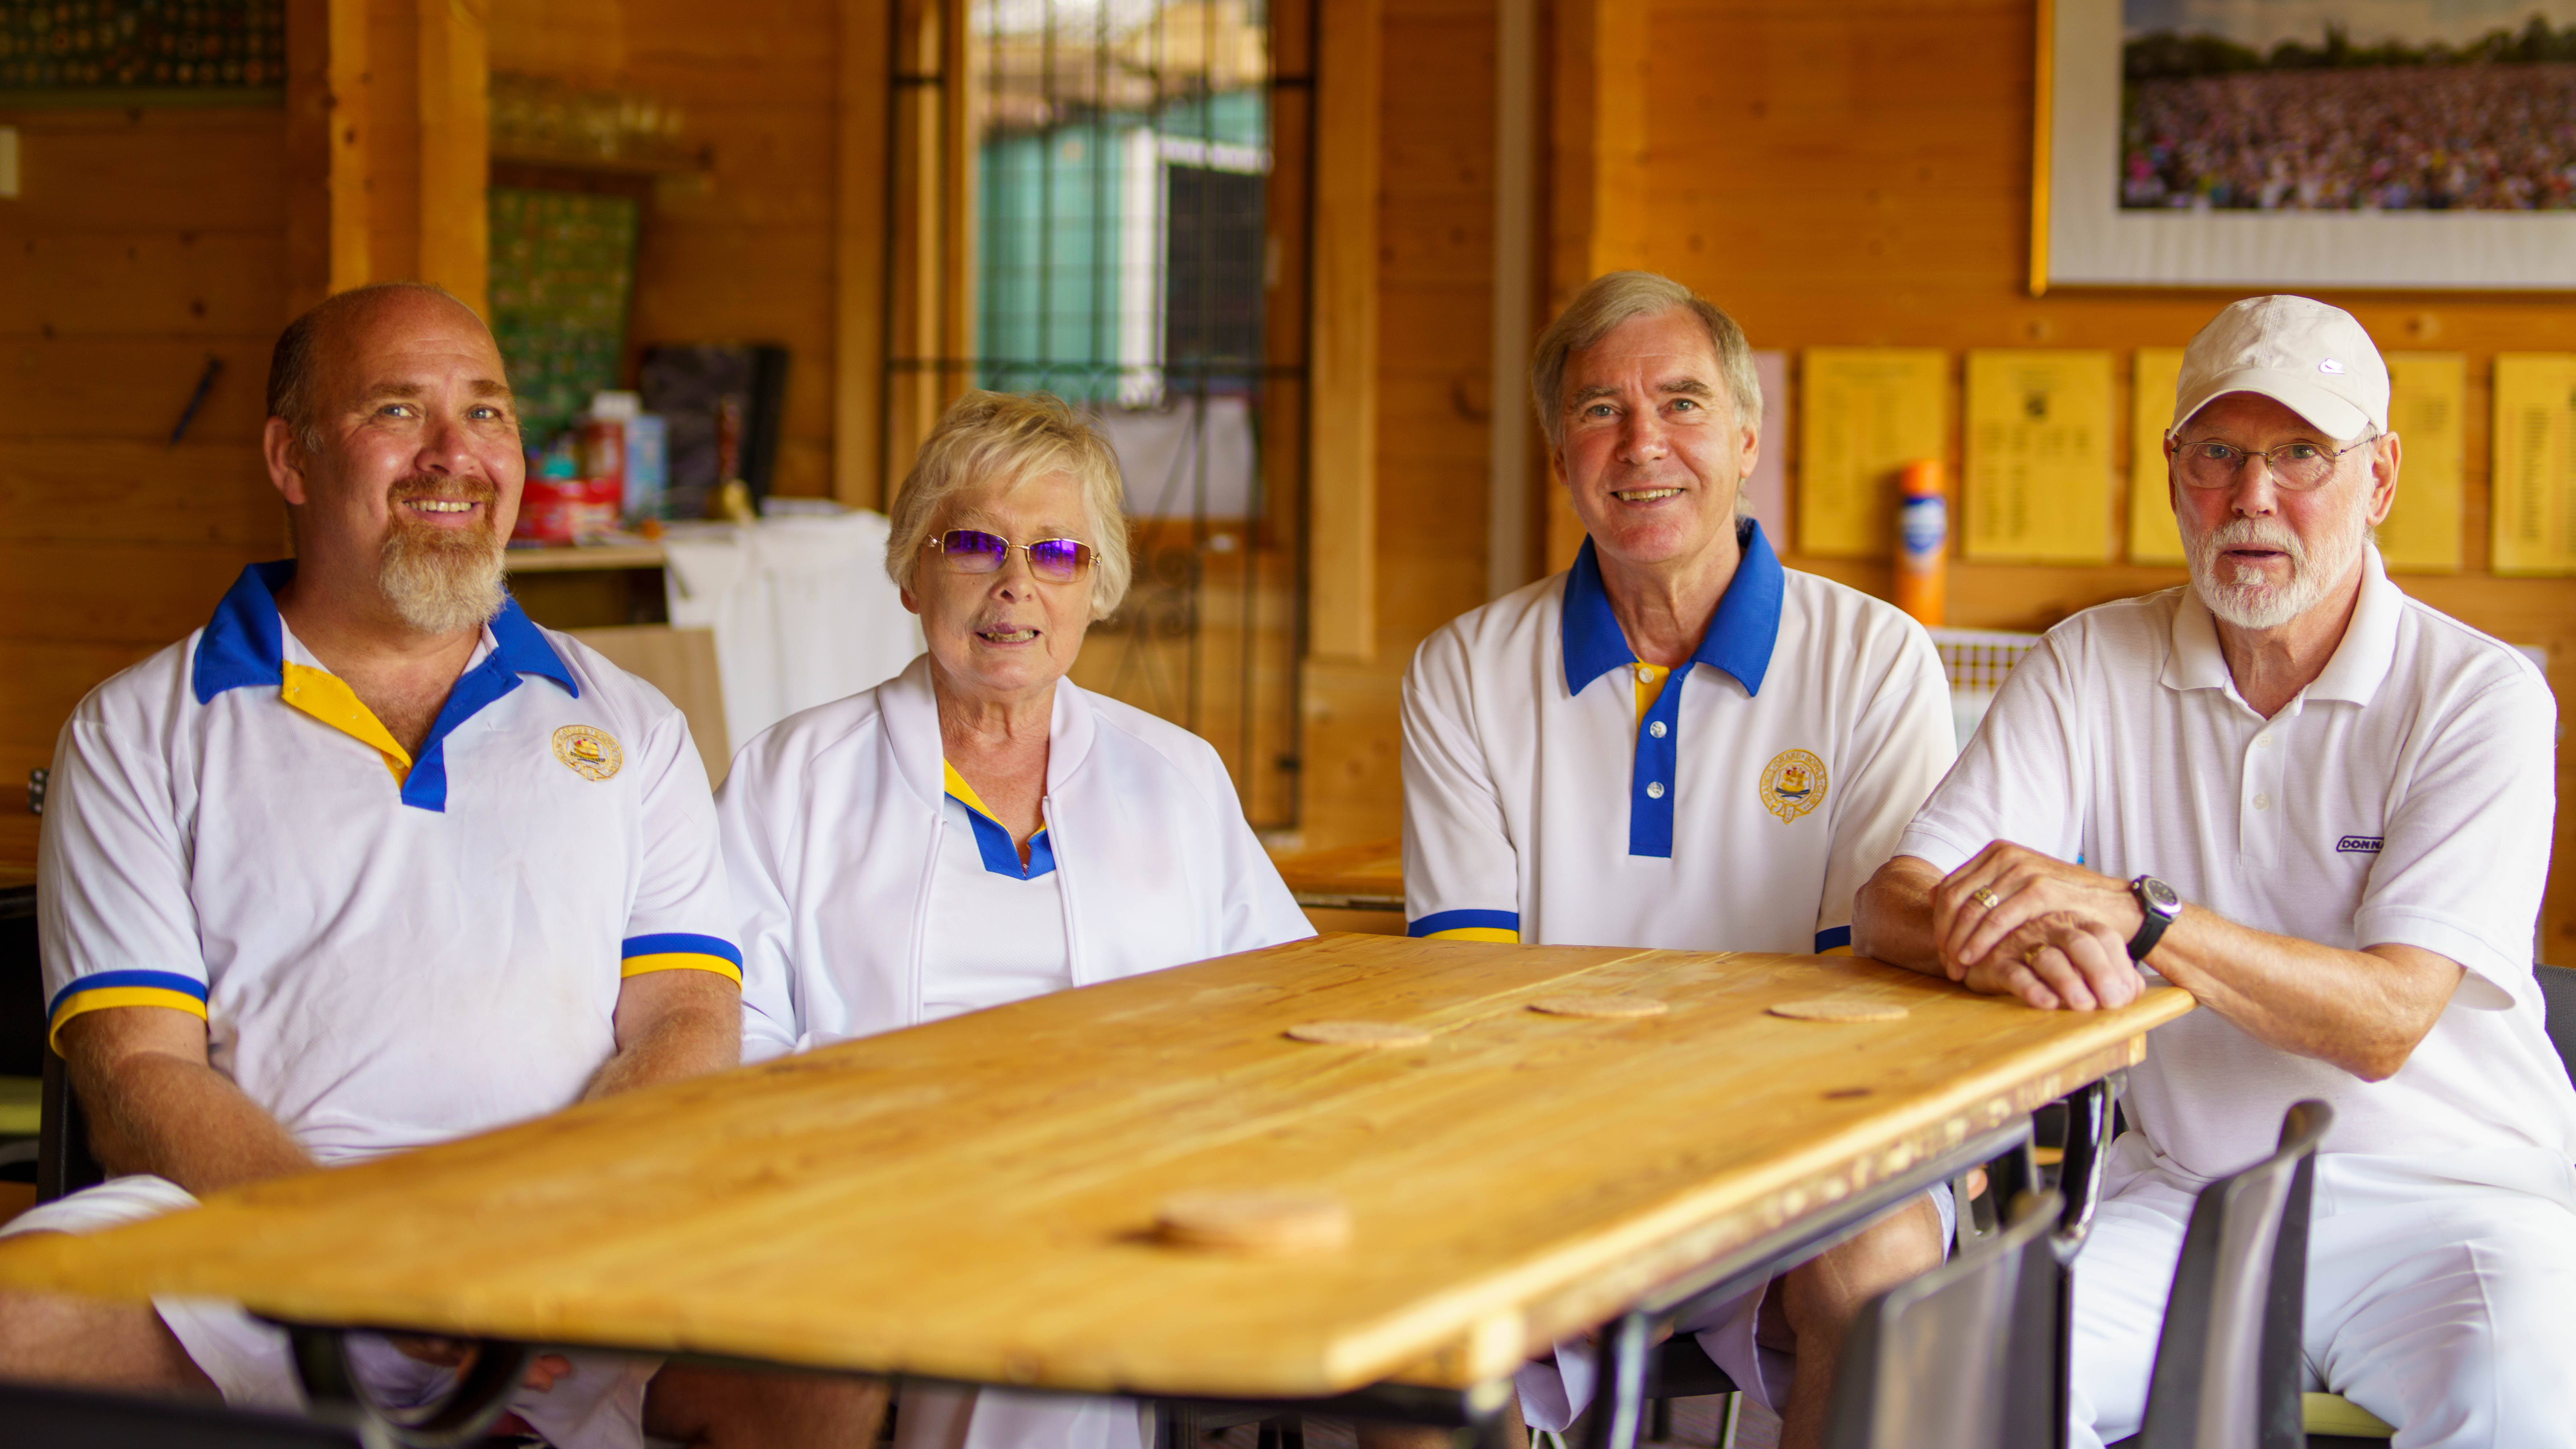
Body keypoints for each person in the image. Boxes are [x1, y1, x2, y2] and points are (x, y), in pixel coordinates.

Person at [0, 282, 874, 1449]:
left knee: (838, 1337)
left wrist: (541, 1231)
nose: (455, 455)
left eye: (490, 414)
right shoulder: (138, 728)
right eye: (398, 411)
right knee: (19, 1325)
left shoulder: (633, 724)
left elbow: (682, 1019)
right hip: (262, 1241)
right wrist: (366, 1252)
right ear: (291, 458)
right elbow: (137, 1077)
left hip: (570, 1246)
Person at [1854, 294, 2576, 1446]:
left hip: (2457, 1205)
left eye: (2301, 455)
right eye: (2218, 455)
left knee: (2534, 1405)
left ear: (2378, 478)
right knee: (1966, 1391)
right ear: (2172, 469)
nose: (2252, 498)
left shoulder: (2478, 694)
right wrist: (2020, 940)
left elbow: (2386, 1019)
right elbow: (1889, 899)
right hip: (2192, 1190)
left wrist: (2134, 918)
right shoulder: (2089, 658)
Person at [1394, 272, 1956, 1449]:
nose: (1643, 443)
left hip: (1805, 1143)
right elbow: (1465, 996)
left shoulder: (1876, 659)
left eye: (1683, 404)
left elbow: (1865, 989)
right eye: (1600, 410)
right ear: (1561, 456)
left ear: (1748, 437)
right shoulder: (1461, 670)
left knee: (1882, 1263)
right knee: (1396, 1307)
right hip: (1532, 1149)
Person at [721, 388, 1313, 1449]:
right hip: (868, 1183)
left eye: (1057, 556)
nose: (1014, 587)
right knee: (1018, 1303)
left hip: (1131, 1180)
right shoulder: (795, 773)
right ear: (911, 571)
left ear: (1099, 589)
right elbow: (741, 1029)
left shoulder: (1175, 775)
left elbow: (1277, 1008)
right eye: (976, 543)